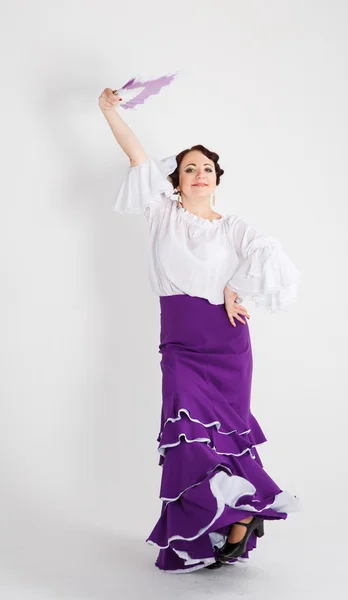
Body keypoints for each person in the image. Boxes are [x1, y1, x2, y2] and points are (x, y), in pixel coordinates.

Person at [99, 87, 302, 574]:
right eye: (189, 168)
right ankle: (215, 528)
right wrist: (109, 111)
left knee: (224, 439)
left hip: (226, 342)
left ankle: (239, 516)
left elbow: (271, 253)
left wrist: (236, 284)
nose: (198, 175)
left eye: (206, 169)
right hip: (180, 342)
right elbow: (136, 155)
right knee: (186, 439)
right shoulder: (161, 214)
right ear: (177, 179)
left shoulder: (234, 227)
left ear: (217, 179)